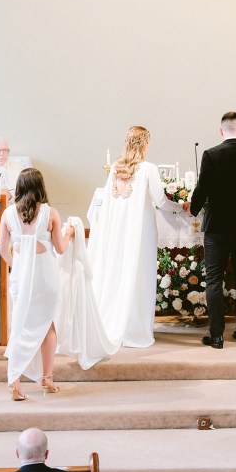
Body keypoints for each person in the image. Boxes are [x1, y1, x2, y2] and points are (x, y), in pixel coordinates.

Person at [87, 125, 183, 351]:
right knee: (140, 277)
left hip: (118, 234)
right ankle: (135, 330)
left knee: (120, 274)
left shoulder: (114, 169)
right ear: (145, 144)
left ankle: (116, 322)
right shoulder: (149, 168)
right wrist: (181, 207)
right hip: (140, 233)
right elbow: (161, 202)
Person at [186, 111, 236, 348]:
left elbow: (202, 188)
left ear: (222, 131)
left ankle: (217, 336)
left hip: (217, 226)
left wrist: (194, 208)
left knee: (213, 279)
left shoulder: (212, 154)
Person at [0, 168, 75, 400]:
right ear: (41, 186)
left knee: (20, 323)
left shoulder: (8, 214)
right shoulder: (50, 213)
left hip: (21, 278)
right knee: (47, 325)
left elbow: (2, 250)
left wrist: (20, 267)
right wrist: (70, 232)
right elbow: (60, 248)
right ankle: (47, 379)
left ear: (20, 187)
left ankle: (15, 381)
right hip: (45, 277)